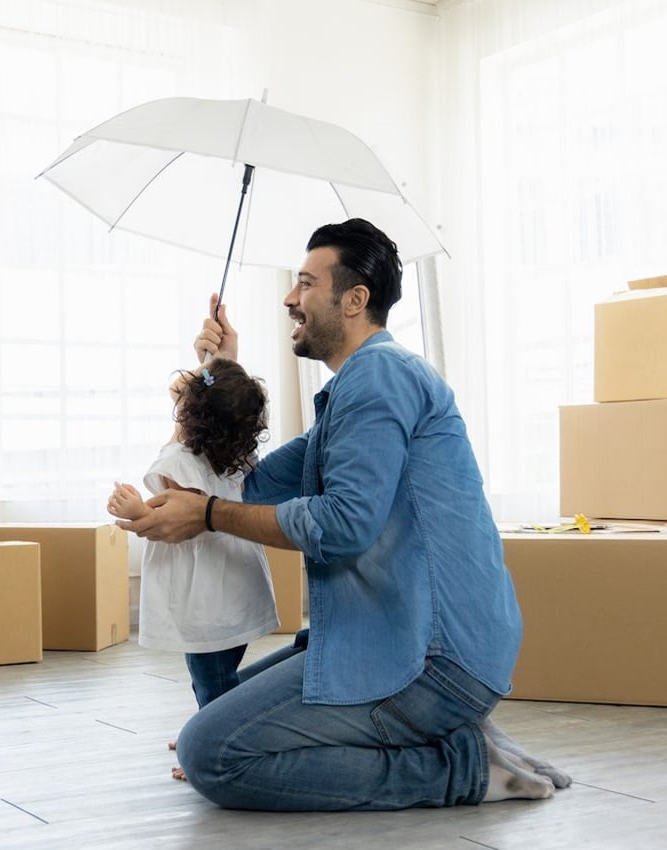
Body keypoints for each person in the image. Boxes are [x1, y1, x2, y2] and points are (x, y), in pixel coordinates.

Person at [114, 218, 570, 811]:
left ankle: (462, 769)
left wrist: (207, 515)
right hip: (399, 640)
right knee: (223, 704)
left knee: (212, 754)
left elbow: (340, 525)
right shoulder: (351, 398)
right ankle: (453, 731)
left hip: (430, 659)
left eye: (305, 284)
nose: (288, 298)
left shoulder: (379, 378)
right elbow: (251, 485)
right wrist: (220, 372)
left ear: (354, 300)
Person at [107, 359, 278, 713]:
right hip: (238, 587)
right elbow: (197, 397)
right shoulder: (237, 453)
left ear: (189, 416)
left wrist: (137, 511)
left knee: (211, 682)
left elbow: (177, 522)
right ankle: (210, 729)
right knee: (222, 674)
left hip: (206, 599)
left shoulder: (179, 462)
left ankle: (214, 742)